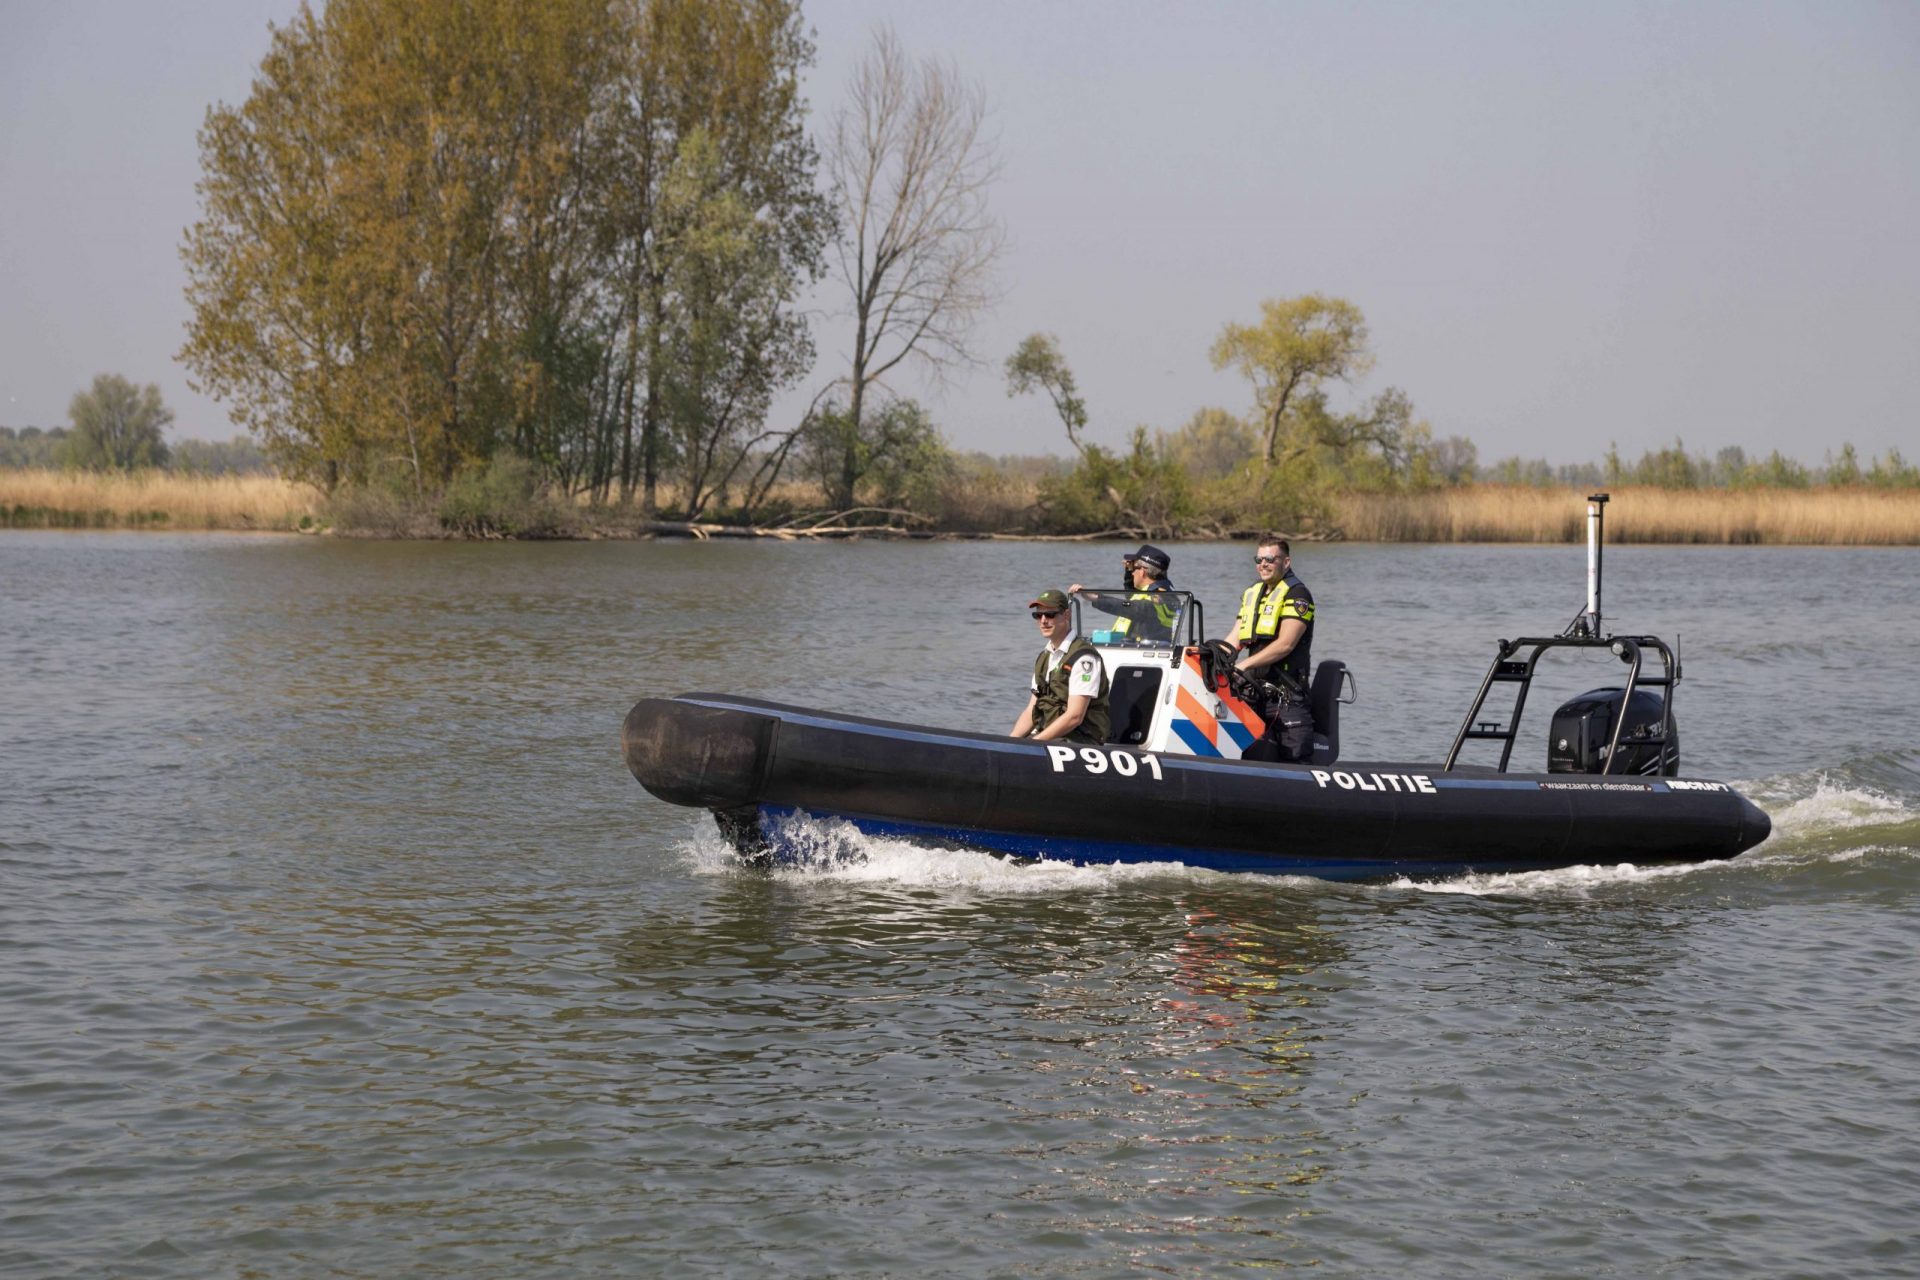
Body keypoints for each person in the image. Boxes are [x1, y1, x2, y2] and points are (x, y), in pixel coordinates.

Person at [1223, 536, 1316, 761]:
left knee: (1295, 762)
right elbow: (1234, 640)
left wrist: (1243, 665)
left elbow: (1286, 644)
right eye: (1259, 559)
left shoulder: (1298, 594)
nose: (1263, 564)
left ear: (1286, 562)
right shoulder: (1253, 593)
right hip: (1253, 692)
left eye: (1270, 559)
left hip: (1286, 696)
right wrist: (1208, 656)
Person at [1010, 589, 1111, 744]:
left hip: (1079, 740)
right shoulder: (1044, 657)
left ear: (1067, 615)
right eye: (1038, 615)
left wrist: (1035, 742)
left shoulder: (1084, 658)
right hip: (1049, 737)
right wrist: (1009, 743)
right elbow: (1032, 709)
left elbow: (1075, 716)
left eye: (1050, 615)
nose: (1043, 620)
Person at [1068, 543, 1179, 643]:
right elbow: (1132, 597)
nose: (1132, 573)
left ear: (1143, 572)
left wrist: (1096, 598)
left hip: (1149, 653)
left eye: (1134, 569)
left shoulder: (1164, 596)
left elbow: (1133, 608)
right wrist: (1129, 571)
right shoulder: (1155, 590)